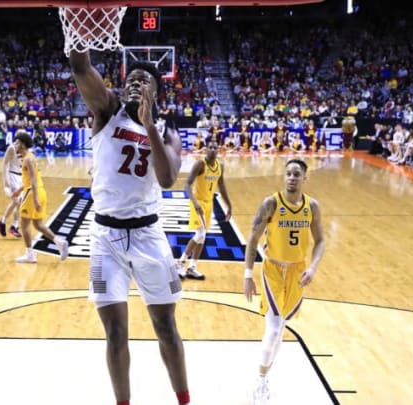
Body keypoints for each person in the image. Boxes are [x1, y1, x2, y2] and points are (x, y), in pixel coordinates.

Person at [70, 48, 191, 405]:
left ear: (156, 94)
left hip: (149, 236)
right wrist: (79, 31)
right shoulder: (107, 111)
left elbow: (167, 179)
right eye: (131, 80)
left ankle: (183, 399)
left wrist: (149, 124)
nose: (136, 83)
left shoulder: (168, 133)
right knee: (115, 333)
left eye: (145, 81)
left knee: (166, 327)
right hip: (105, 238)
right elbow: (80, 65)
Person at [242, 159, 326, 405]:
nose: (291, 177)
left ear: (305, 178)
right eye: (288, 173)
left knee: (281, 329)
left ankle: (266, 376)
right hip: (273, 270)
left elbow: (320, 240)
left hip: (298, 272)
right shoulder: (270, 203)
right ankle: (260, 380)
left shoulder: (313, 206)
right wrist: (248, 275)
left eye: (296, 174)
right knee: (276, 326)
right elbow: (252, 239)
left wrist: (313, 267)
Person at [177, 139, 232, 280]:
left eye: (215, 147)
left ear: (218, 150)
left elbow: (222, 186)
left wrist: (229, 205)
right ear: (206, 149)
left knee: (202, 237)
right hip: (198, 202)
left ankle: (192, 267)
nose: (213, 149)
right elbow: (187, 185)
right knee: (200, 234)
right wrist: (195, 202)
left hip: (209, 203)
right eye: (210, 147)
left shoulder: (221, 166)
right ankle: (181, 262)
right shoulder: (200, 164)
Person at [11, 131, 68, 263]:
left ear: (24, 144)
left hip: (32, 193)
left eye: (18, 142)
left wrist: (35, 198)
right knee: (38, 225)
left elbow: (33, 181)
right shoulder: (29, 157)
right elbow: (30, 179)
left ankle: (30, 255)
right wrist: (19, 190)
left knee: (24, 225)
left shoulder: (28, 159)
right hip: (36, 191)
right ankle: (59, 243)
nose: (15, 144)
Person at [0, 131, 24, 238]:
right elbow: (4, 163)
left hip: (21, 177)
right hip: (12, 176)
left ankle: (14, 225)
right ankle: (4, 221)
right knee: (16, 201)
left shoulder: (25, 149)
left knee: (20, 202)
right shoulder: (11, 148)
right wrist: (5, 180)